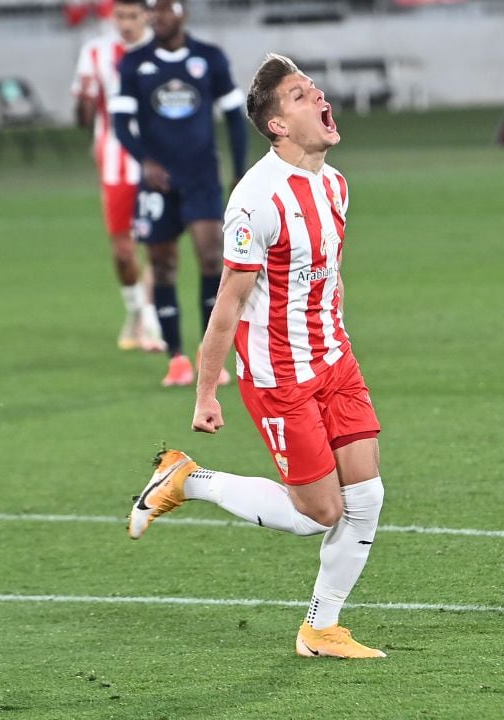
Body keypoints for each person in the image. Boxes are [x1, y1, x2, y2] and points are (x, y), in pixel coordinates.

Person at [127, 54, 387, 659]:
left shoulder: (337, 184)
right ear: (276, 125)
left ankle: (321, 629)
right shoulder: (255, 202)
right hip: (280, 375)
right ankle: (189, 480)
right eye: (301, 95)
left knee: (368, 497)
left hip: (335, 359)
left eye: (314, 88)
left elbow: (325, 277)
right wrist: (206, 390)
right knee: (320, 512)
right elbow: (228, 304)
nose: (319, 97)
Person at [111, 0, 246, 386]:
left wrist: (238, 172)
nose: (158, 17)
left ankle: (209, 354)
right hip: (158, 183)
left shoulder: (209, 58)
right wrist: (145, 160)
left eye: (165, 9)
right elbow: (120, 123)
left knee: (210, 258)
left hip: (202, 177)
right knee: (164, 264)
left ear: (182, 12)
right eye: (152, 11)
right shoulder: (135, 64)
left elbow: (235, 116)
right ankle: (176, 357)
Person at [72, 0, 165, 353]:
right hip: (114, 162)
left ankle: (152, 321)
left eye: (133, 16)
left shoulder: (163, 50)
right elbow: (82, 119)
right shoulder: (95, 52)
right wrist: (84, 97)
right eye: (120, 16)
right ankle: (136, 312)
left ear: (148, 16)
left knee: (159, 242)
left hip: (159, 161)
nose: (126, 23)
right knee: (124, 252)